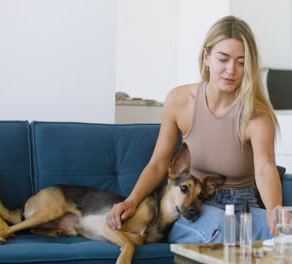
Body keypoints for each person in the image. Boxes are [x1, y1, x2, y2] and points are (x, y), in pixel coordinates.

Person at [107, 15, 282, 243]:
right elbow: (159, 162)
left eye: (241, 62)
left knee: (284, 236)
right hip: (194, 205)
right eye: (223, 59)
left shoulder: (257, 115)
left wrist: (275, 211)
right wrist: (131, 201)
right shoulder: (180, 100)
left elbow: (265, 167)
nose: (231, 70)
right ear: (206, 57)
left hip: (244, 206)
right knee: (222, 228)